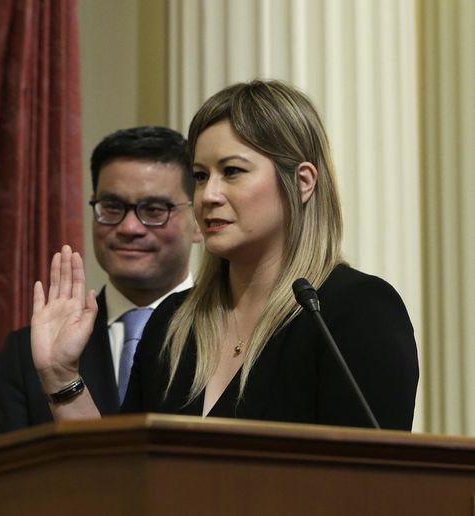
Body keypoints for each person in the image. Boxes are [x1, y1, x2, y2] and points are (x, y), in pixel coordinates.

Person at [30, 80, 419, 430]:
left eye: (231, 171)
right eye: (200, 176)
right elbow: (124, 483)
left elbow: (371, 485)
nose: (208, 195)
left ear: (302, 183)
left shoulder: (354, 311)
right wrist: (62, 378)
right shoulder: (173, 322)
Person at [0, 127, 201, 430]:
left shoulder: (234, 335)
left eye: (154, 210)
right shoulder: (28, 354)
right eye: (112, 207)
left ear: (198, 222)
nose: (129, 227)